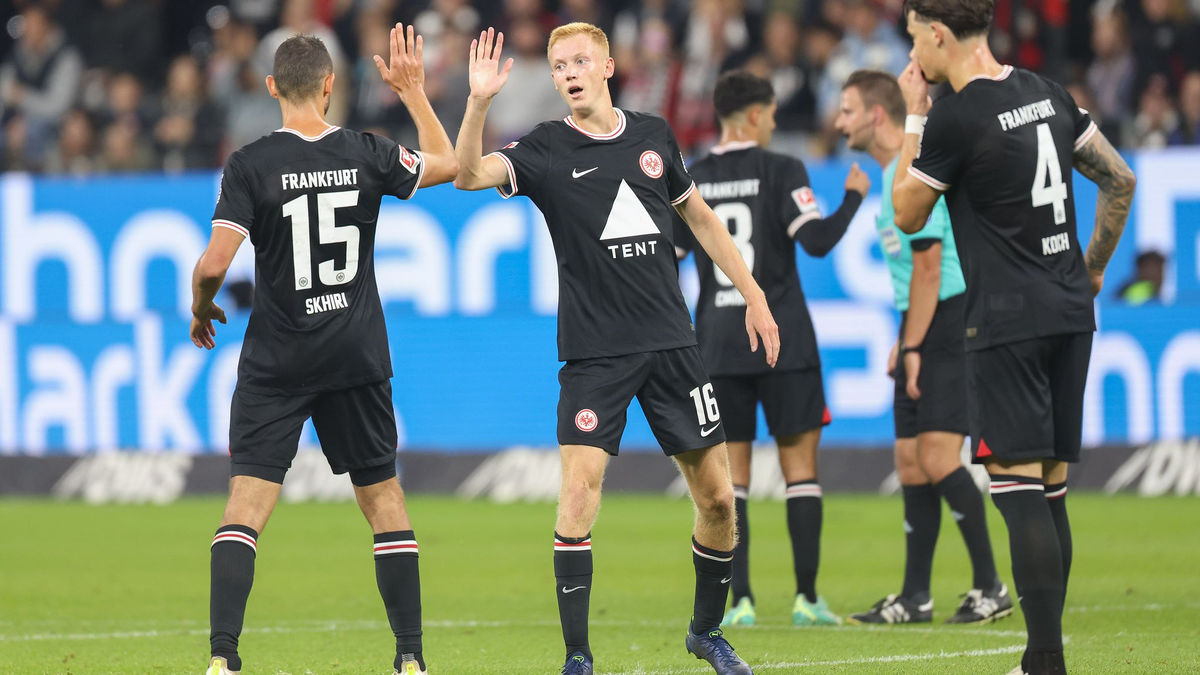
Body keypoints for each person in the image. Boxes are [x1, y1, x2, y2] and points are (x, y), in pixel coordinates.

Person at [453, 22, 780, 675]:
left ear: (607, 65)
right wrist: (479, 102)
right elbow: (466, 176)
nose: (569, 71)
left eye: (580, 60)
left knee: (717, 499)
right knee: (578, 493)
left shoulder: (654, 135)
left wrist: (754, 293)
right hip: (595, 354)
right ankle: (578, 654)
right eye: (558, 65)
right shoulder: (545, 148)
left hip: (671, 345)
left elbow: (701, 218)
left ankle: (706, 632)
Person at [189, 26, 459, 675]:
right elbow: (449, 164)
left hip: (277, 359)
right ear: (332, 86)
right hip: (355, 353)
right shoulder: (367, 151)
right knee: (384, 500)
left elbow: (213, 263)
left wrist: (201, 307)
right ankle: (411, 657)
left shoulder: (250, 163)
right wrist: (415, 95)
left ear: (273, 86)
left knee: (246, 506)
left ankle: (223, 658)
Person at [891, 1, 1136, 673]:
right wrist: (1089, 272)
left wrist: (915, 112)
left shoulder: (956, 114)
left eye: (915, 42)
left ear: (938, 34)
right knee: (1050, 486)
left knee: (1017, 485)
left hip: (1004, 320)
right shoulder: (1046, 92)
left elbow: (908, 212)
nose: (914, 58)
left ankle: (1046, 662)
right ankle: (1038, 656)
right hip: (1067, 312)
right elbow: (1120, 178)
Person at [675, 70, 868, 629]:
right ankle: (807, 599)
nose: (776, 123)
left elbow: (676, 255)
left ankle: (740, 602)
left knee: (730, 482)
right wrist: (853, 198)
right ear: (757, 115)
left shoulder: (695, 176)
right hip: (783, 341)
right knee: (800, 472)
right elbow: (817, 241)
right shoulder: (784, 169)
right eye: (773, 114)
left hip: (718, 344)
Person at [834, 68, 1010, 625]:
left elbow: (933, 268)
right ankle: (915, 597)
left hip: (948, 320)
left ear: (876, 115)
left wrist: (912, 344)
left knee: (936, 457)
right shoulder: (892, 176)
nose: (839, 122)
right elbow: (914, 274)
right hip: (920, 324)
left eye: (847, 110)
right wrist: (903, 338)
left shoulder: (913, 173)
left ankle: (991, 587)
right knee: (910, 463)